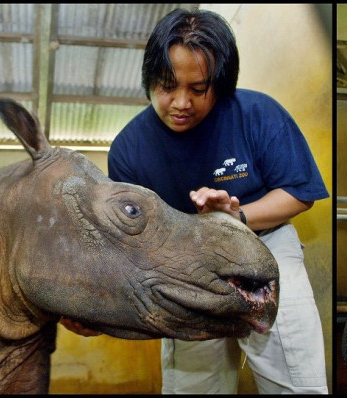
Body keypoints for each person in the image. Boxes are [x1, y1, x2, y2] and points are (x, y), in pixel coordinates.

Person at [70, 7, 329, 394]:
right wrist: (91, 303)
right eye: (166, 85)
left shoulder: (259, 114)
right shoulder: (129, 148)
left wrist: (236, 219)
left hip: (264, 245)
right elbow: (127, 243)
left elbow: (299, 193)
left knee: (295, 380)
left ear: (220, 84)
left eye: (197, 89)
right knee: (195, 385)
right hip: (181, 265)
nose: (180, 103)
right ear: (149, 78)